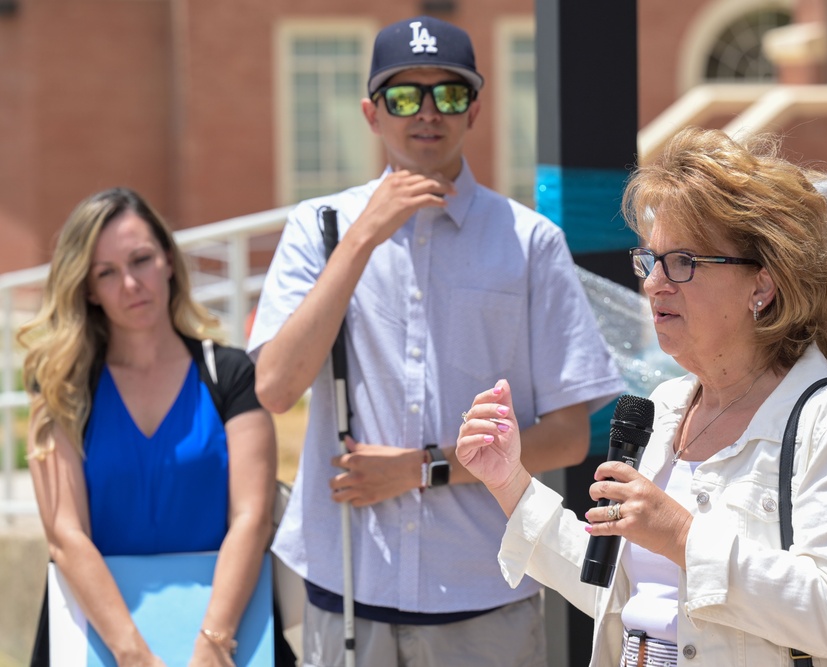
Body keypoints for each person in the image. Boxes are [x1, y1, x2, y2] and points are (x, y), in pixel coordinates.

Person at [247, 14, 624, 667]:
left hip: (486, 591)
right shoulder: (320, 228)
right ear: (371, 112)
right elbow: (276, 387)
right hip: (346, 587)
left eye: (448, 93)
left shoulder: (530, 242)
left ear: (474, 110)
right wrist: (364, 236)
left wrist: (422, 468)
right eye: (403, 95)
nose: (427, 111)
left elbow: (568, 432)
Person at [457, 127, 827, 667]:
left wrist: (680, 534)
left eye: (683, 262)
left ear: (762, 285)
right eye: (650, 260)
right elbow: (618, 594)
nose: (654, 284)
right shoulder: (667, 407)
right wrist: (509, 481)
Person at [21, 187, 277, 667]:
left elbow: (252, 518)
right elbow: (65, 534)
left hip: (226, 636)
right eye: (107, 273)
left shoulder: (232, 374)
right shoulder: (60, 385)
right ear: (88, 289)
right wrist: (134, 655)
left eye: (140, 260)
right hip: (96, 640)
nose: (131, 284)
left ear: (168, 260)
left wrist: (213, 641)